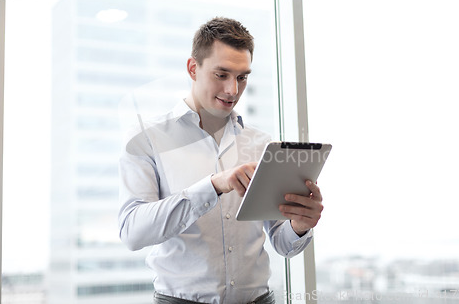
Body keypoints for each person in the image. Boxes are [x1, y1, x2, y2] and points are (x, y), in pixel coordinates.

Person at [118, 17, 324, 304]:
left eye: (242, 77)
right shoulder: (146, 138)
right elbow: (132, 232)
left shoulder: (262, 144)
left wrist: (300, 225)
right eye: (222, 74)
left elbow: (282, 242)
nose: (233, 90)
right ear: (193, 68)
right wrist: (213, 186)